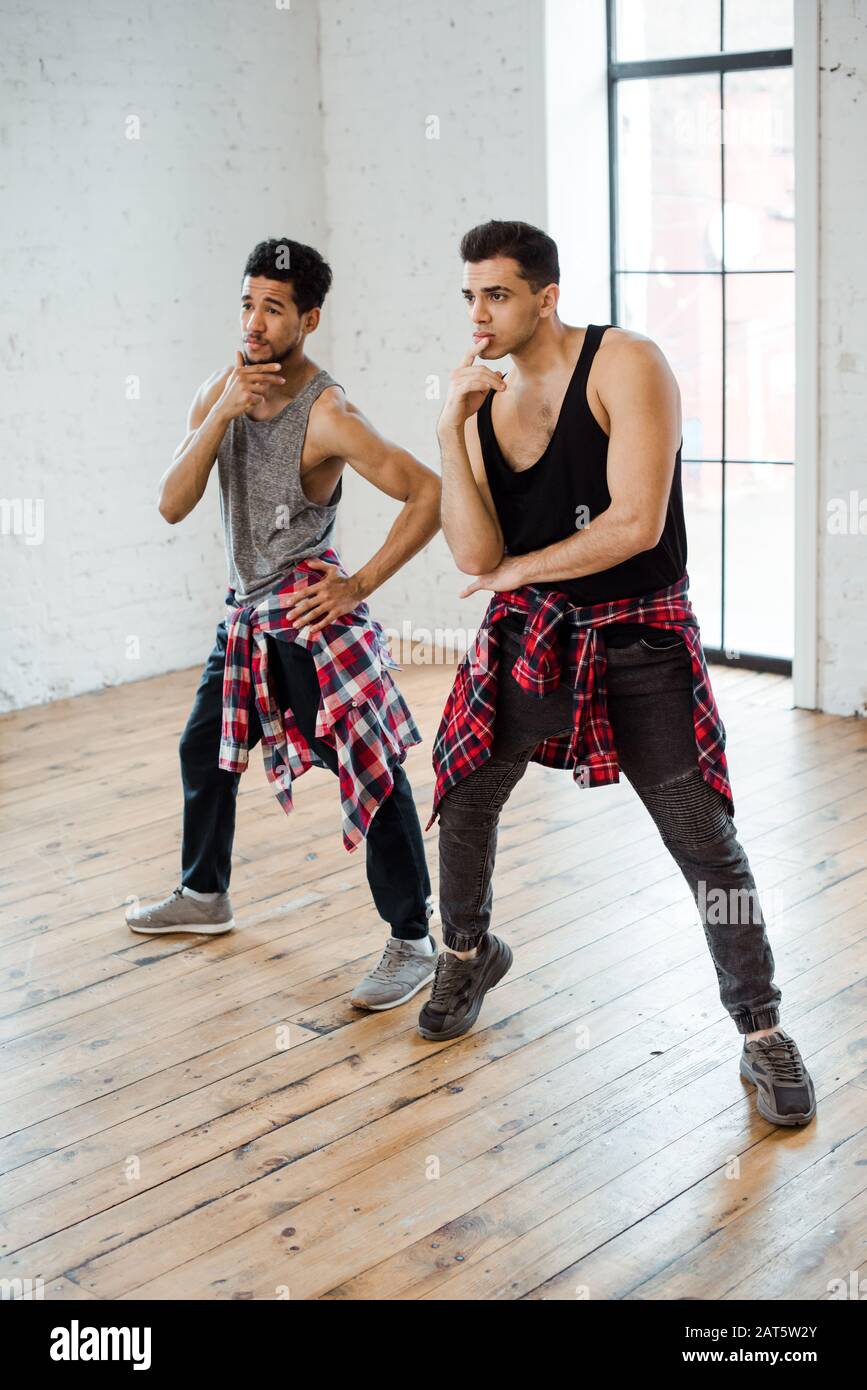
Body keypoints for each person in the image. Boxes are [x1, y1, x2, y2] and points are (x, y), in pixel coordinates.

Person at [421, 219, 815, 1128]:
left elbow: (635, 523)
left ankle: (761, 1033)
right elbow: (475, 546)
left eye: (497, 295)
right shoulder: (481, 405)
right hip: (532, 639)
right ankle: (467, 950)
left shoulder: (625, 363)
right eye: (469, 296)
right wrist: (449, 427)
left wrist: (517, 571)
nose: (478, 315)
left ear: (545, 297)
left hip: (636, 639)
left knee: (700, 835)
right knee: (467, 791)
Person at [126, 237, 442, 1012]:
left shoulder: (327, 412)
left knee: (365, 768)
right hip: (243, 619)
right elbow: (171, 502)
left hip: (305, 618)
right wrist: (223, 410)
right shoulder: (221, 389)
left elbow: (427, 491)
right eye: (247, 304)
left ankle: (414, 941)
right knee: (204, 748)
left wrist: (357, 583)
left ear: (309, 318)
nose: (255, 322)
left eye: (273, 308)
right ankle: (204, 893)